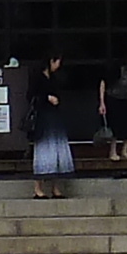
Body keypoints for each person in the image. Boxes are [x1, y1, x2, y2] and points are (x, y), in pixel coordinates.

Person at [30, 52, 77, 201]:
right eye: (57, 62)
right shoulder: (37, 77)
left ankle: (55, 188)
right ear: (51, 61)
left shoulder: (54, 78)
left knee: (56, 152)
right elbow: (30, 95)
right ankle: (38, 188)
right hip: (43, 118)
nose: (58, 65)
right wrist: (46, 98)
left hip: (55, 118)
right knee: (43, 152)